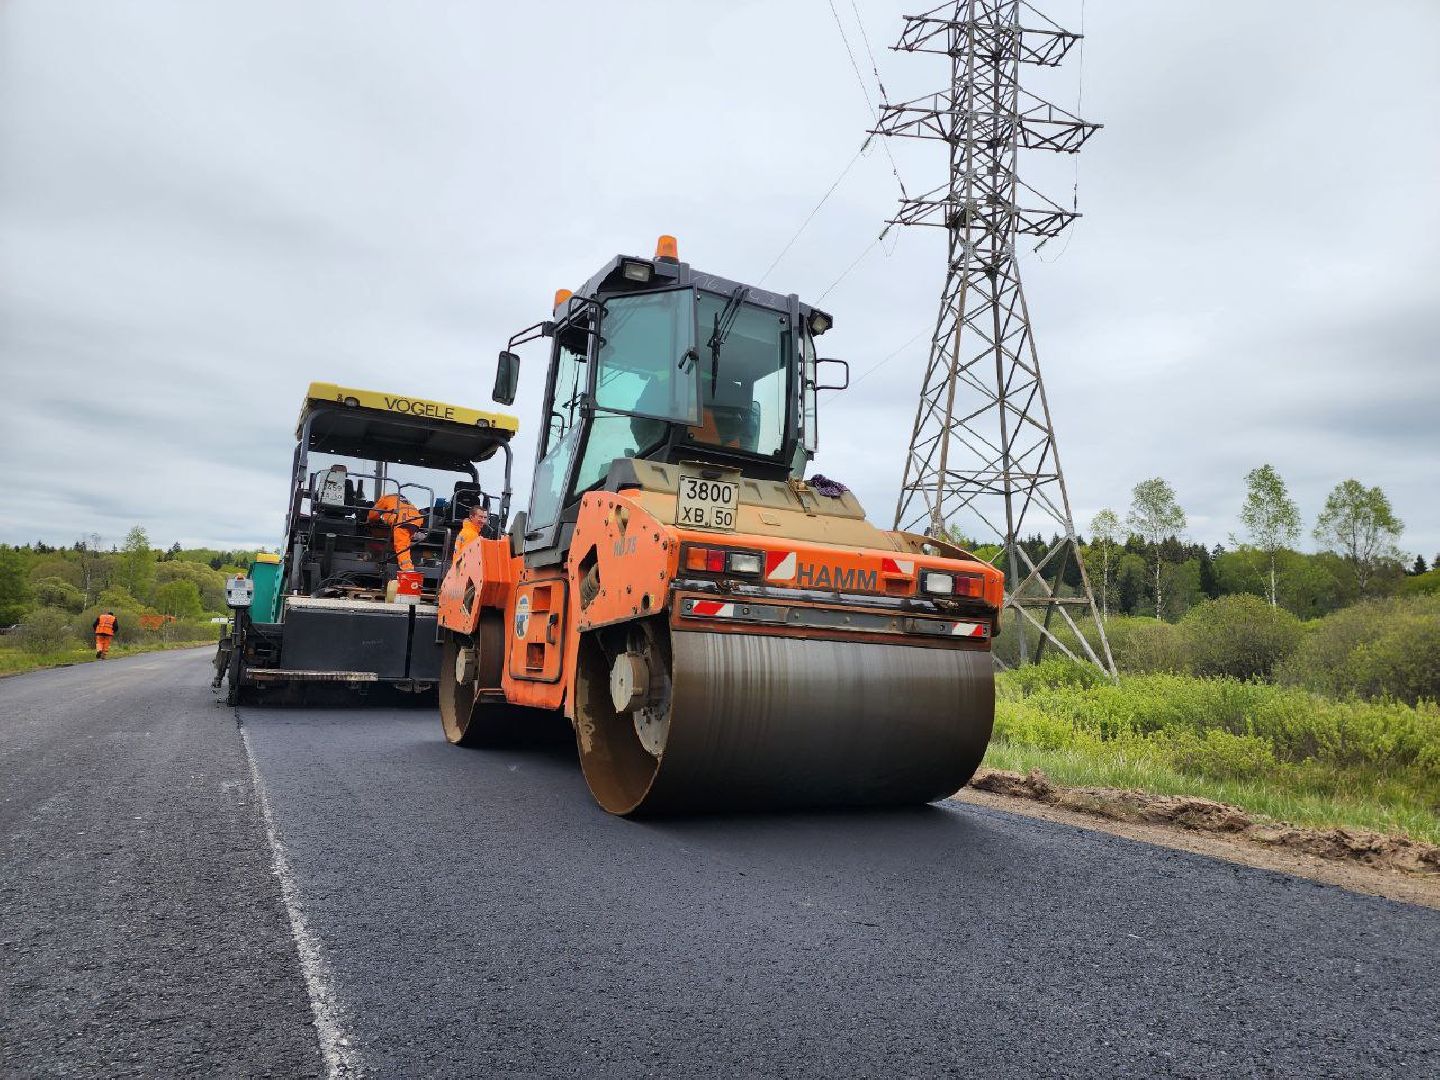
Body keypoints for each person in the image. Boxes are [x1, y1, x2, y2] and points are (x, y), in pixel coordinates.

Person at [367, 492, 426, 572]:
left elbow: (373, 514)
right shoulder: (402, 499)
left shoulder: (385, 498)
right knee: (405, 540)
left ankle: (407, 570)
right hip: (416, 521)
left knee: (401, 545)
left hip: (402, 521)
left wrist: (370, 521)